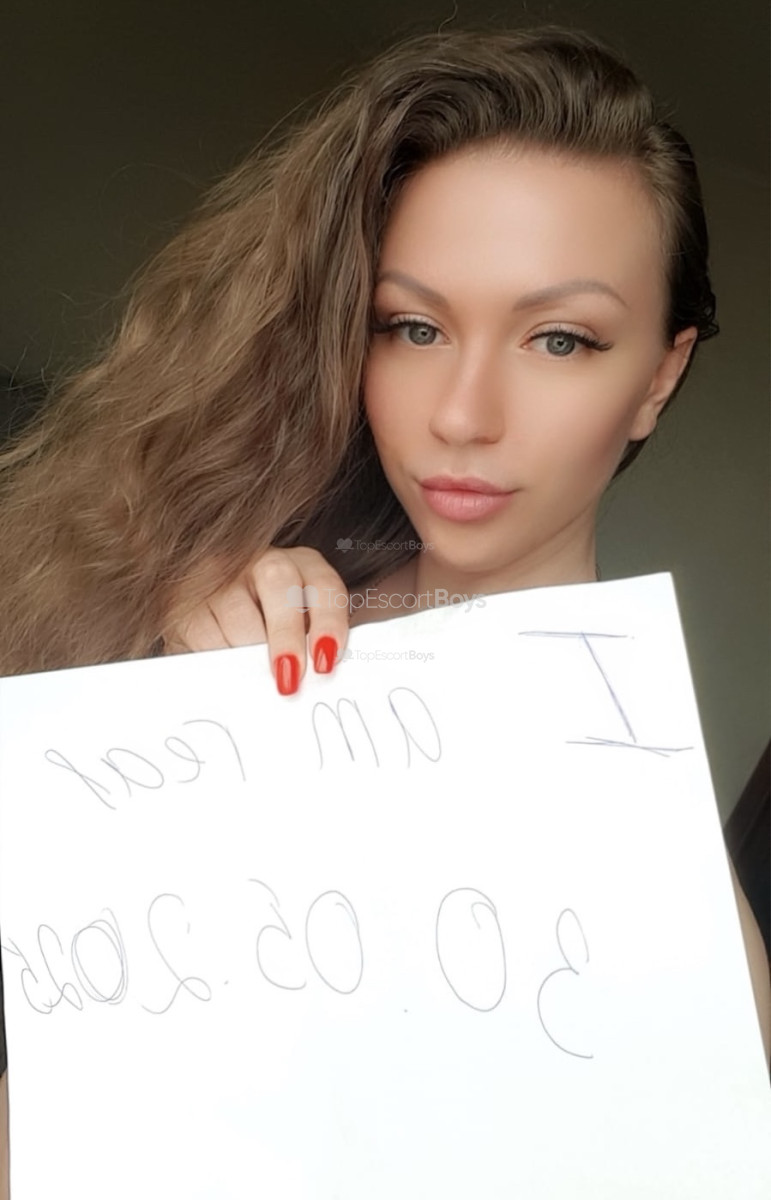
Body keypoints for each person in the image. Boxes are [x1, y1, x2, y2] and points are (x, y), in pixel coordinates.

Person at [0, 26, 768, 1193]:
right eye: (413, 326)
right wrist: (168, 730)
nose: (463, 413)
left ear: (657, 376)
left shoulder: (684, 936)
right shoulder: (211, 634)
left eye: (560, 338)